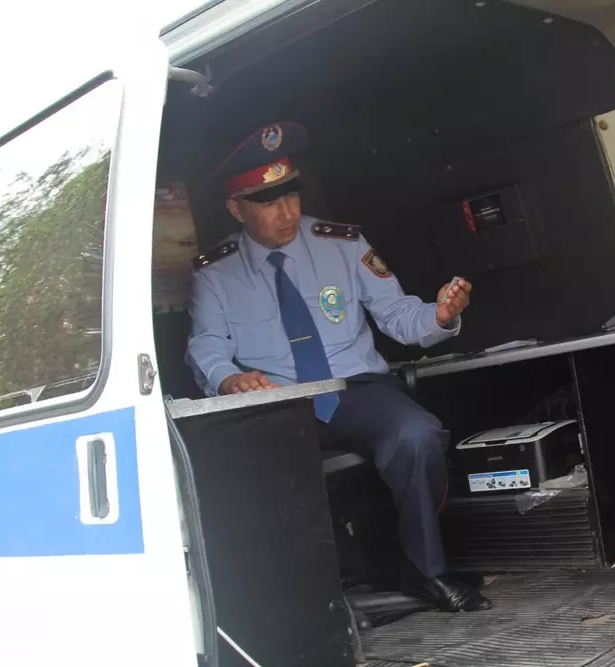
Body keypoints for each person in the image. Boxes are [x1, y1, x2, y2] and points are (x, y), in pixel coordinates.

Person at [186, 122, 491, 613]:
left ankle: (426, 569)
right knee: (249, 471)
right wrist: (228, 378)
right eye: (269, 202)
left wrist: (438, 316)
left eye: (291, 195)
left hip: (356, 390)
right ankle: (304, 600)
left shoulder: (343, 243)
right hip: (278, 403)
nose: (287, 212)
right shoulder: (215, 273)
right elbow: (206, 345)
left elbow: (397, 314)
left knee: (417, 436)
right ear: (236, 209)